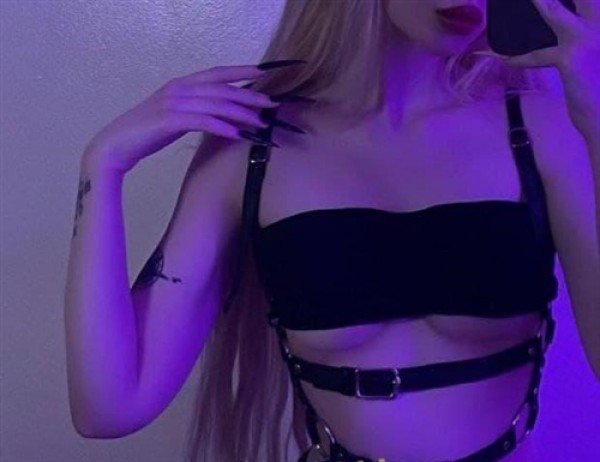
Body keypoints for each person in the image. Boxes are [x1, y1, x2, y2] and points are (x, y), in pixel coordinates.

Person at [65, 1, 600, 461]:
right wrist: (103, 165)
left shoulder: (542, 128)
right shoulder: (250, 149)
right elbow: (110, 405)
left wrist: (597, 119)